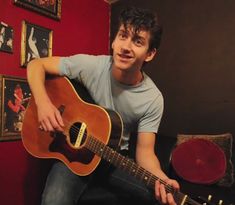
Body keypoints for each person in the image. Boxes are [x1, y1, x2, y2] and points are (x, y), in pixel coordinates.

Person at [27, 6, 180, 205]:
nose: (126, 46)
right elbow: (36, 65)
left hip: (113, 158)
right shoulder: (91, 66)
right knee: (53, 201)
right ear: (114, 41)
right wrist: (44, 103)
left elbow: (145, 153)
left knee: (153, 196)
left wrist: (161, 178)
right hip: (73, 153)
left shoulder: (152, 99)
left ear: (149, 54)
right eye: (123, 36)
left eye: (137, 41)